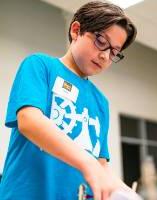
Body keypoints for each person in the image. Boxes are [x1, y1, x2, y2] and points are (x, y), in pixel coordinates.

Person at [0, 1, 137, 199]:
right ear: (76, 30)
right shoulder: (40, 66)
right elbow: (29, 121)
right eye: (101, 41)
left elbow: (101, 165)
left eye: (114, 52)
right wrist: (86, 162)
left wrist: (127, 193)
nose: (105, 56)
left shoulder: (101, 102)